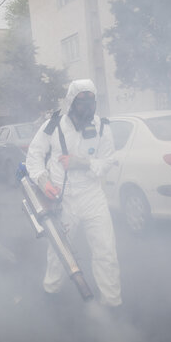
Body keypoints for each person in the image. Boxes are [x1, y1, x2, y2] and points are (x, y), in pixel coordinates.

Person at [26, 79, 122, 307]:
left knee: (106, 251)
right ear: (70, 101)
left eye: (91, 101)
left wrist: (82, 162)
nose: (87, 107)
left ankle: (112, 302)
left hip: (92, 197)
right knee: (59, 251)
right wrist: (42, 181)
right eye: (81, 101)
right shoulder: (53, 125)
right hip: (62, 198)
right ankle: (51, 292)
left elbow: (109, 160)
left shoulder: (101, 126)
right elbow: (34, 155)